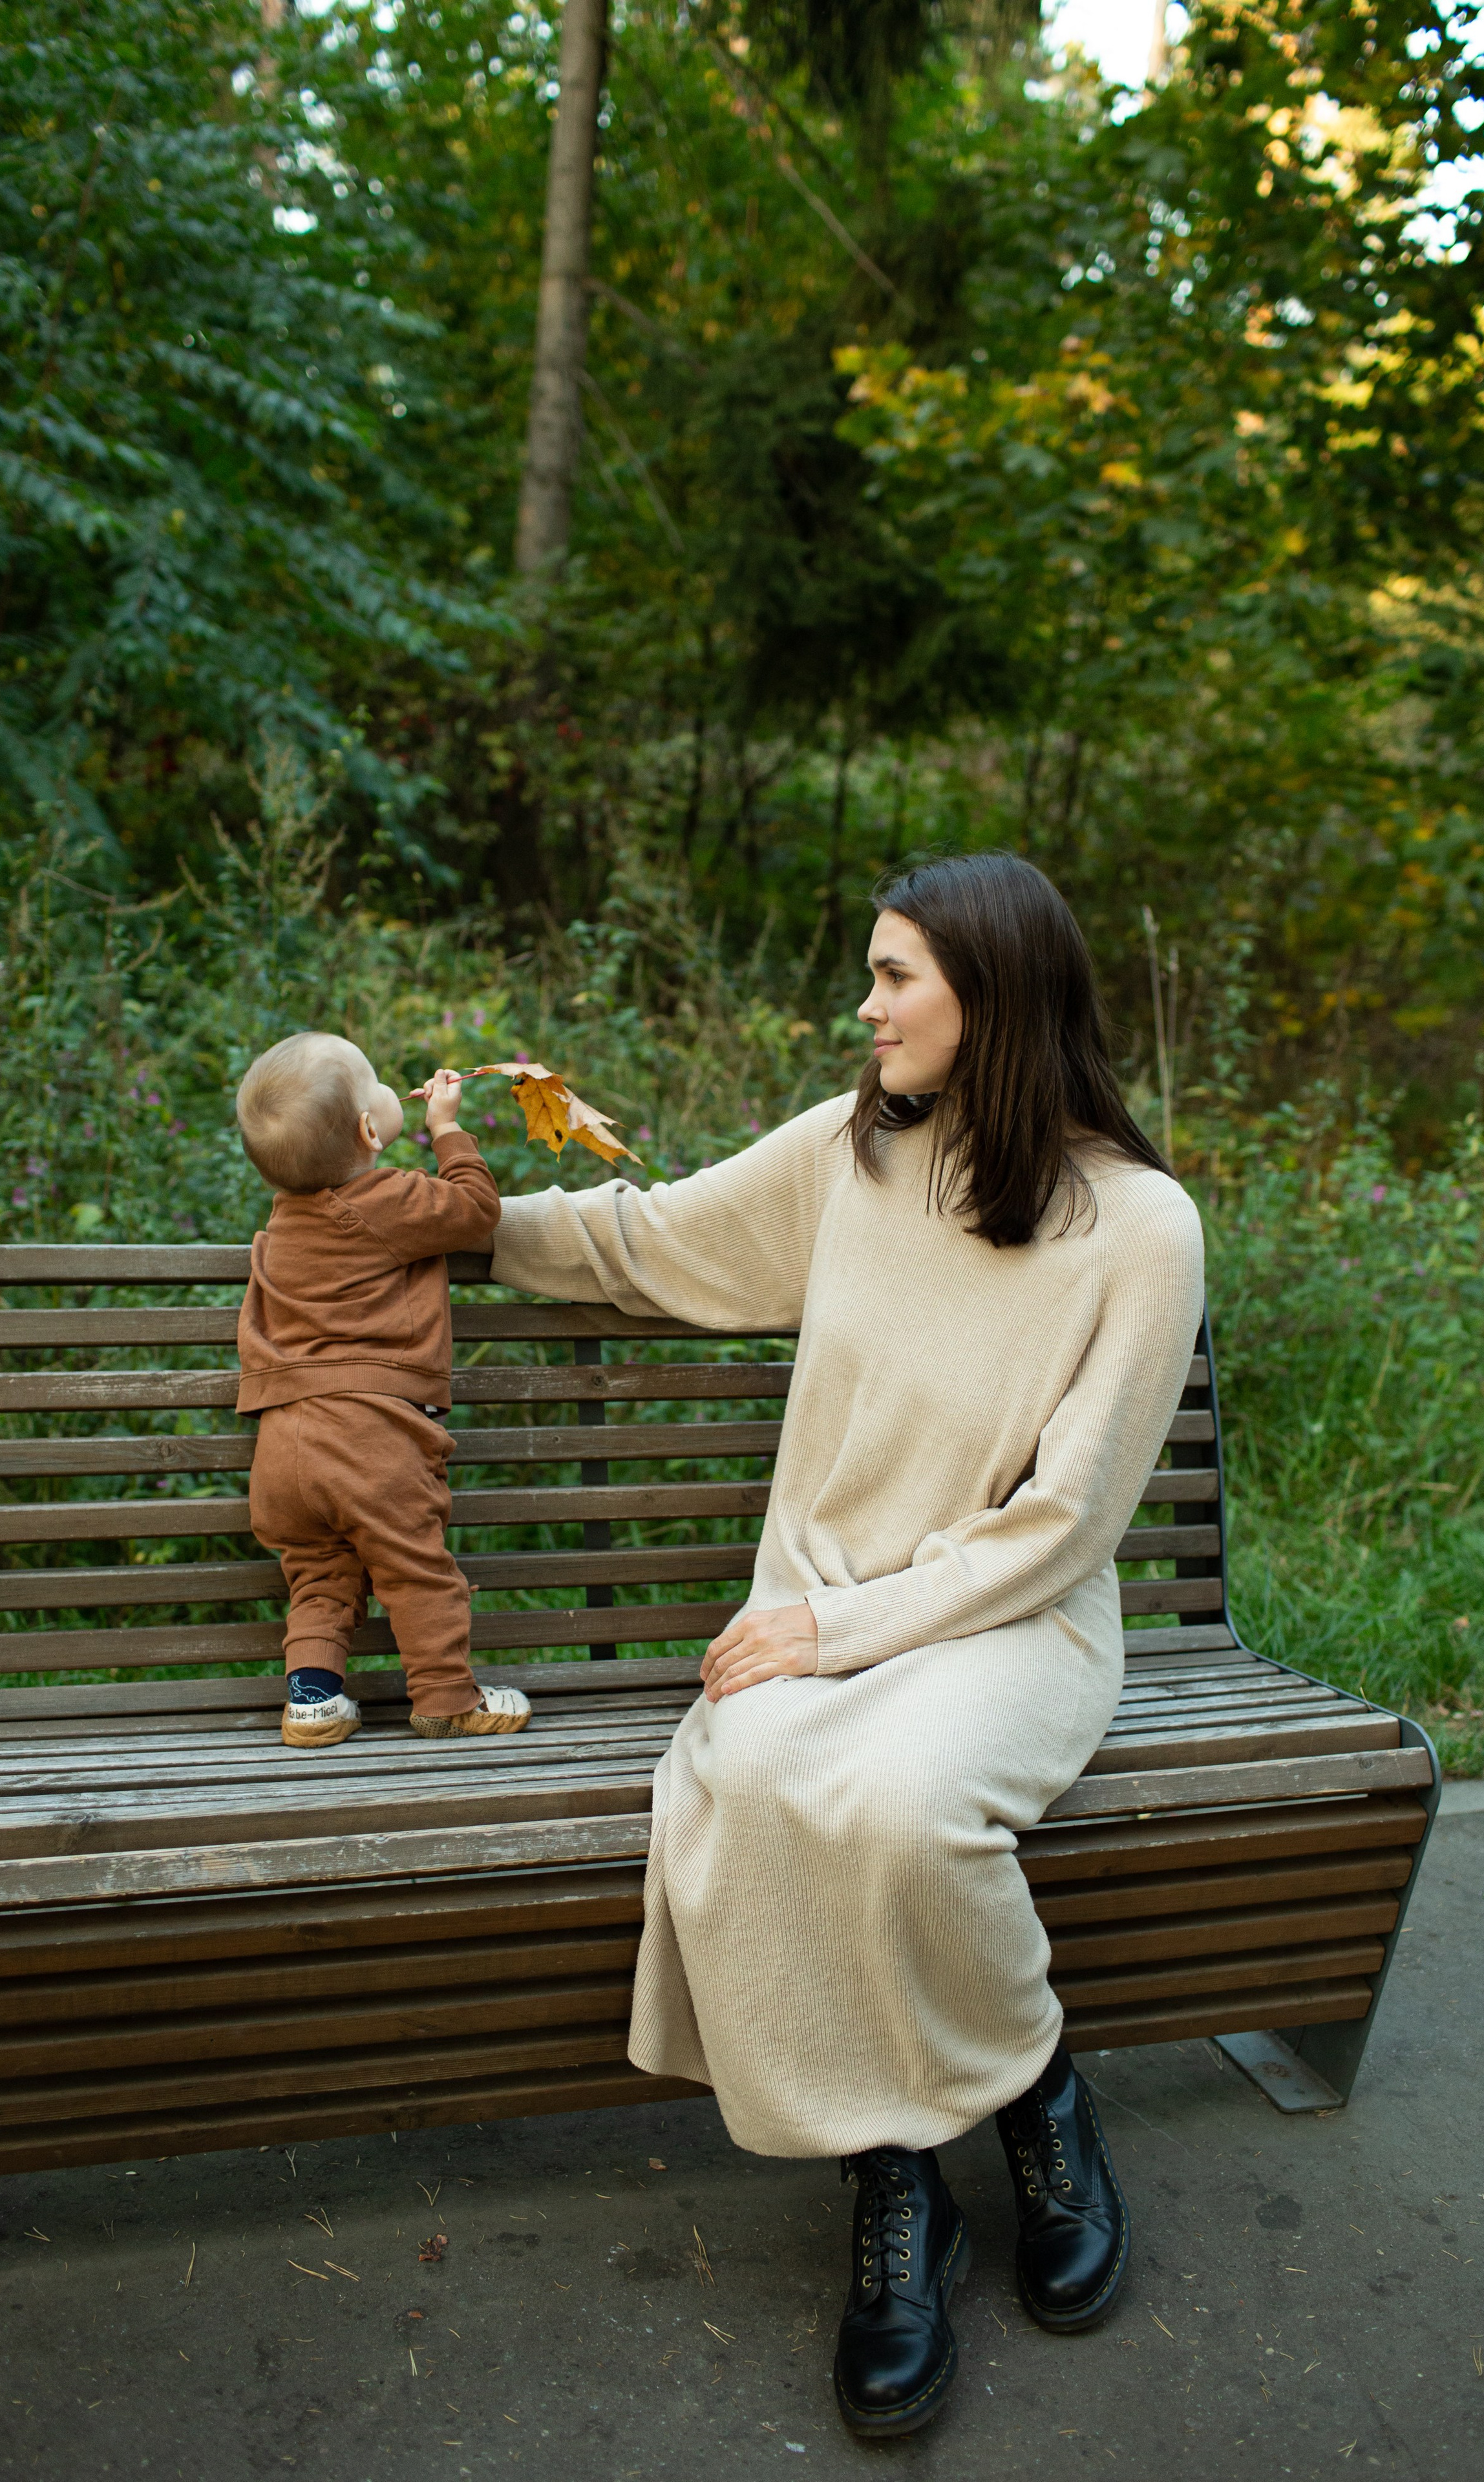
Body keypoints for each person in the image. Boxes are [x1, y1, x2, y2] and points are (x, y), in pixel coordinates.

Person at [485, 854, 1203, 2438]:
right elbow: (646, 1239)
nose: (862, 1005)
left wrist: (832, 1628)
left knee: (895, 1809)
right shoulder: (849, 1155)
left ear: (991, 997)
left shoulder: (1141, 1227)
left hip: (1007, 1622)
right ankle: (904, 2182)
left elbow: (1063, 1523)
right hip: (819, 1605)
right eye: (869, 972)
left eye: (894, 977)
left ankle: (1031, 2095)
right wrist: (450, 1212)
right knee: (754, 1777)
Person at [234, 1031, 531, 1750]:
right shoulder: (388, 1198)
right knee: (414, 1567)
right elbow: (474, 1210)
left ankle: (313, 1701)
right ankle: (446, 1699)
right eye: (376, 1084)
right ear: (372, 1129)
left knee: (319, 1572)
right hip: (368, 1439)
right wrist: (448, 1130)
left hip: (282, 1450)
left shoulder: (283, 1225)